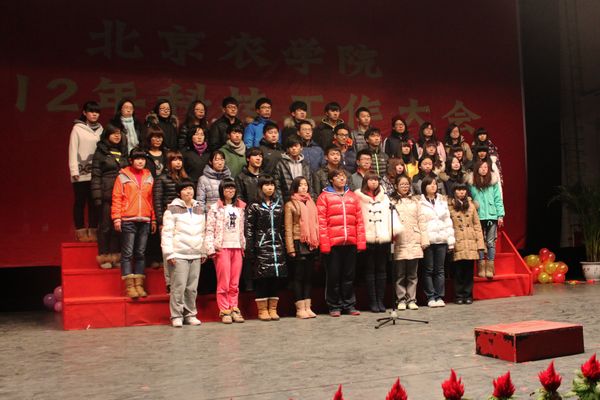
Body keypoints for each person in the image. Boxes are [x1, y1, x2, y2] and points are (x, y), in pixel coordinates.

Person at [317, 169, 366, 316]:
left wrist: (360, 242)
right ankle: (334, 306)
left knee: (349, 276)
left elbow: (359, 221)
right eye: (338, 177)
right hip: (333, 244)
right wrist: (325, 244)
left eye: (343, 177)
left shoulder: (352, 196)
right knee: (333, 276)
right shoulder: (324, 197)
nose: (342, 179)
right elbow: (321, 223)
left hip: (350, 242)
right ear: (331, 180)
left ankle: (349, 304)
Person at [111, 148, 157, 298]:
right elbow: (117, 197)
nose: (140, 161)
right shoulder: (122, 176)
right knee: (128, 253)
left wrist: (153, 218)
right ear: (131, 160)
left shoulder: (149, 176)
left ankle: (139, 285)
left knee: (140, 253)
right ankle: (130, 287)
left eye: (142, 159)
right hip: (128, 219)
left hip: (145, 219)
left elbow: (152, 199)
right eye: (137, 158)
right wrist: (117, 218)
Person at [161, 180, 207, 327]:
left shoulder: (199, 209)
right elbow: (167, 233)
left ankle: (190, 314)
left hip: (195, 253)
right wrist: (169, 253)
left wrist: (203, 251)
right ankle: (176, 315)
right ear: (179, 193)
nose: (189, 191)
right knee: (178, 287)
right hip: (179, 253)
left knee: (192, 288)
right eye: (185, 189)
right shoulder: (172, 209)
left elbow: (203, 232)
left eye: (190, 188)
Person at [354, 172, 400, 312]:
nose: (374, 182)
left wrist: (393, 232)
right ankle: (373, 301)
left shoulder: (384, 197)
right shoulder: (358, 197)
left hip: (382, 238)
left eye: (376, 180)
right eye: (371, 180)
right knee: (369, 271)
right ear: (365, 181)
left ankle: (380, 301)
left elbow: (391, 215)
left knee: (382, 270)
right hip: (367, 238)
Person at [245, 175, 287, 321]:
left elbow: (283, 226)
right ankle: (262, 310)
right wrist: (250, 247)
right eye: (266, 185)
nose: (270, 187)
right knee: (262, 278)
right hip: (261, 246)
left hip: (277, 245)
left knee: (275, 278)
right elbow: (249, 228)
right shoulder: (254, 205)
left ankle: (273, 309)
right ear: (260, 187)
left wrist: (283, 242)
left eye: (272, 185)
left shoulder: (279, 204)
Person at [205, 178, 247, 324]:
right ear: (222, 190)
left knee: (234, 283)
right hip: (222, 248)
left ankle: (234, 308)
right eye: (227, 188)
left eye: (232, 188)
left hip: (237, 247)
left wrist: (243, 245)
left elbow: (242, 229)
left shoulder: (240, 207)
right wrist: (210, 248)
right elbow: (209, 229)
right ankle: (224, 310)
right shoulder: (214, 208)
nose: (230, 190)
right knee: (224, 282)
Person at [91, 124, 128, 269]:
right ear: (107, 135)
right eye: (114, 133)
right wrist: (97, 197)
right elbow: (96, 176)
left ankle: (116, 256)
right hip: (106, 195)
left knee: (118, 227)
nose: (117, 136)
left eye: (119, 133)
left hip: (122, 195)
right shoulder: (100, 152)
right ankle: (104, 256)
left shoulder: (123, 152)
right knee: (105, 227)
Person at [390, 175, 428, 310]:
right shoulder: (392, 202)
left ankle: (411, 299)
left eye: (407, 184)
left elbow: (421, 221)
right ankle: (401, 299)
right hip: (399, 241)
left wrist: (424, 239)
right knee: (400, 274)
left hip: (414, 240)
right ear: (396, 186)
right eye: (402, 184)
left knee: (412, 274)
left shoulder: (415, 201)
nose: (405, 187)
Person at [284, 176, 319, 318]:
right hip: (298, 241)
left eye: (305, 185)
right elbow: (288, 228)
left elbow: (316, 223)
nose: (304, 187)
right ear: (295, 187)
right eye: (300, 185)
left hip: (311, 242)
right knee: (298, 276)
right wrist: (290, 248)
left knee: (308, 276)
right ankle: (300, 308)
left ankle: (307, 306)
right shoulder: (290, 204)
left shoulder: (311, 202)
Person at [153, 150, 189, 288]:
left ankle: (182, 281)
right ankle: (169, 282)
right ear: (168, 162)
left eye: (180, 159)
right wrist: (160, 221)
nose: (178, 162)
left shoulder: (185, 178)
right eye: (174, 160)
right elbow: (157, 201)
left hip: (183, 219)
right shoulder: (161, 178)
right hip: (168, 219)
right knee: (168, 251)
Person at [68, 100, 102, 242]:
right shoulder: (77, 129)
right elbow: (72, 149)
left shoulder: (101, 130)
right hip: (80, 173)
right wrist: (74, 170)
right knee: (80, 202)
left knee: (94, 202)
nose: (94, 114)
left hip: (96, 172)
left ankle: (93, 230)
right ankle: (80, 230)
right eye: (91, 111)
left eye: (97, 112)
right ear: (84, 113)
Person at [419, 176, 455, 307]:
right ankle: (430, 297)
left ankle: (439, 296)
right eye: (430, 184)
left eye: (434, 184)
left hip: (442, 239)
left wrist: (450, 241)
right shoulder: (420, 202)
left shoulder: (442, 201)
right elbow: (420, 223)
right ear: (424, 187)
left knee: (440, 270)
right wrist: (422, 239)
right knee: (428, 270)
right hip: (428, 240)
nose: (433, 186)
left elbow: (447, 221)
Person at [467, 160, 505, 279]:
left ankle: (490, 267)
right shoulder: (472, 183)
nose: (483, 169)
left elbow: (498, 199)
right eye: (481, 167)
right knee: (479, 242)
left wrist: (500, 215)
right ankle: (481, 266)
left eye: (486, 167)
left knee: (490, 242)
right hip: (477, 216)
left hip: (491, 215)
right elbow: (469, 199)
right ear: (477, 169)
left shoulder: (493, 182)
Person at [448, 184, 485, 304]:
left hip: (470, 242)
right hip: (457, 241)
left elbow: (477, 225)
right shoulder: (449, 206)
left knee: (469, 271)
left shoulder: (471, 206)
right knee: (458, 272)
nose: (461, 192)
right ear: (454, 192)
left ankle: (468, 295)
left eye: (463, 190)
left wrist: (480, 244)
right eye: (458, 190)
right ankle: (458, 296)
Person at [273, 136, 310, 201]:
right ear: (288, 149)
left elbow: (310, 184)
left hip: (304, 200)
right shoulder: (281, 164)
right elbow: (277, 186)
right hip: (287, 199)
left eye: (296, 146)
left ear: (301, 148)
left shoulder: (305, 165)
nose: (293, 148)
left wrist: (310, 200)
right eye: (291, 146)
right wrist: (281, 202)